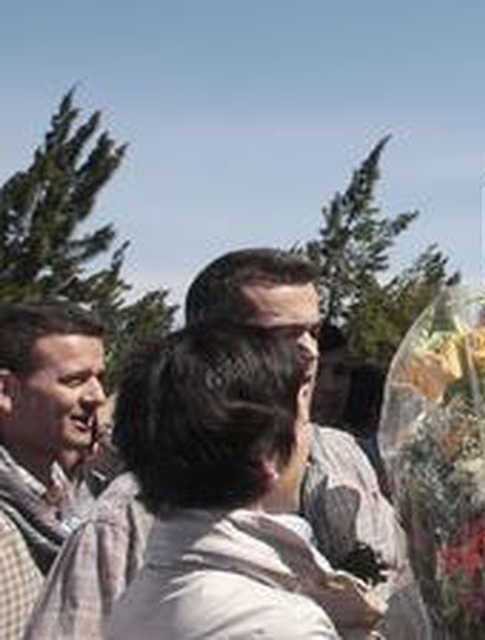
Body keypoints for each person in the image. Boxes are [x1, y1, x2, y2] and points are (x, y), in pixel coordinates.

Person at [24, 249, 423, 639]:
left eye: (313, 331)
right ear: (214, 348)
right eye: (279, 335)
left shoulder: (346, 458)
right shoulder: (130, 513)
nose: (309, 351)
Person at [105, 324, 383, 638]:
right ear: (267, 457)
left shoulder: (138, 598)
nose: (310, 439)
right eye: (302, 417)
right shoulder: (279, 624)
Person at [0, 303, 106, 639]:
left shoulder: (73, 502)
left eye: (99, 378)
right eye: (74, 380)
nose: (97, 397)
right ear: (5, 391)